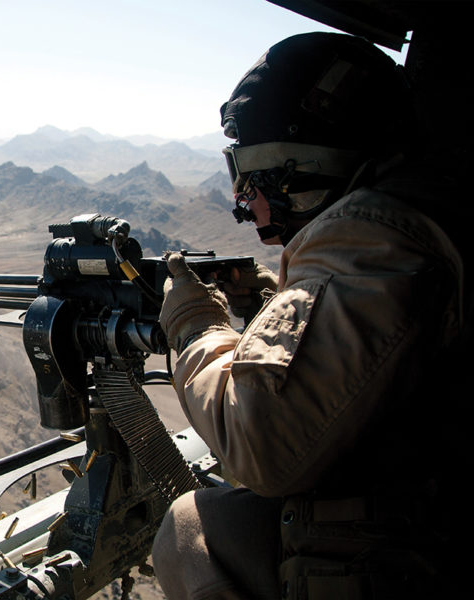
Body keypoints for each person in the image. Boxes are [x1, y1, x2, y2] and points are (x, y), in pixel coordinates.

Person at [151, 32, 468, 599]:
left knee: (187, 528)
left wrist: (197, 326)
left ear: (315, 166)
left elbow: (259, 443)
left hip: (421, 552)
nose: (247, 206)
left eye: (260, 181)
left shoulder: (377, 236)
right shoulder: (431, 202)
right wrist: (280, 302)